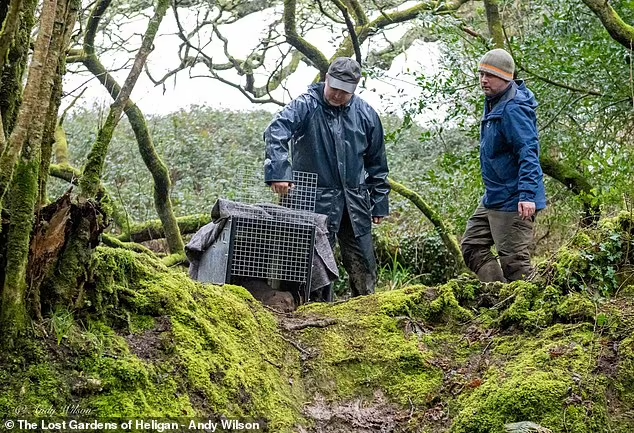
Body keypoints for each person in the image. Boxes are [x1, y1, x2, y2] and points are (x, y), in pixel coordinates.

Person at [264, 57, 390, 301]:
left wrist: (380, 202)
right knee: (308, 264)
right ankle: (308, 311)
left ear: (354, 90)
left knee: (363, 262)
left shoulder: (366, 114)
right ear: (326, 81)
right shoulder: (305, 105)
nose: (336, 95)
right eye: (334, 88)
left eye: (344, 92)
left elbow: (377, 163)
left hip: (354, 203)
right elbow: (276, 131)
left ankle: (365, 309)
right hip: (310, 201)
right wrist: (280, 172)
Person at [461, 48, 547, 282]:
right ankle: (497, 296)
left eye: (490, 75)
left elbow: (528, 152)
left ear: (506, 78)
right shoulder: (494, 101)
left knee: (515, 264)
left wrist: (527, 194)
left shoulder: (513, 108)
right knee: (472, 246)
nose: (483, 80)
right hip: (495, 194)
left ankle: (530, 314)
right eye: (481, 74)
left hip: (515, 197)